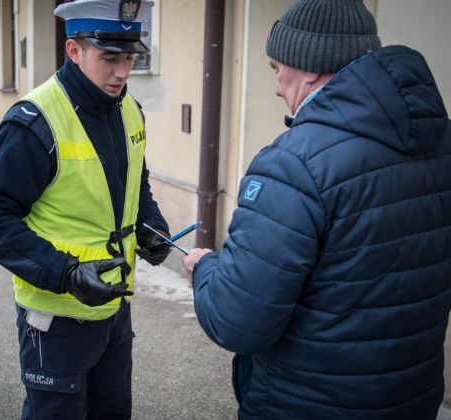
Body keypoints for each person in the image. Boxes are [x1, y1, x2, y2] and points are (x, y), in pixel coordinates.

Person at [182, 0, 451, 418]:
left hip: (309, 403)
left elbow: (237, 319)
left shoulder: (294, 164)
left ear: (309, 66)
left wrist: (205, 269)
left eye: (277, 68)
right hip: (411, 395)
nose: (275, 85)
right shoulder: (441, 144)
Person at [0, 0, 171, 417]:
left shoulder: (127, 108)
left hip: (114, 306)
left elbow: (135, 183)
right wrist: (66, 274)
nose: (123, 72)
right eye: (110, 58)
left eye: (131, 57)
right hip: (56, 319)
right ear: (74, 50)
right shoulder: (34, 120)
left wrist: (151, 224)